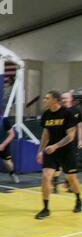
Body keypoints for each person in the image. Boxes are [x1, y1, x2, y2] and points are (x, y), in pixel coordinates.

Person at [35, 91, 81, 220]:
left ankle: (78, 199)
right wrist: (40, 150)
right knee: (45, 177)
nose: (44, 100)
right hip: (51, 151)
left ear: (55, 100)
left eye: (47, 98)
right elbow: (46, 134)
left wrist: (55, 146)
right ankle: (45, 208)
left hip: (66, 151)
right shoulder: (46, 115)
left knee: (71, 178)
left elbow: (70, 136)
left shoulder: (68, 114)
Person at [52, 91, 82, 194]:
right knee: (59, 164)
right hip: (60, 140)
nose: (64, 100)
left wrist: (80, 139)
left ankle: (68, 183)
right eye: (63, 98)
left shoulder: (76, 111)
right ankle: (55, 181)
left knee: (71, 164)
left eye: (66, 98)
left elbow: (80, 126)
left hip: (73, 141)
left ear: (71, 99)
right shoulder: (59, 111)